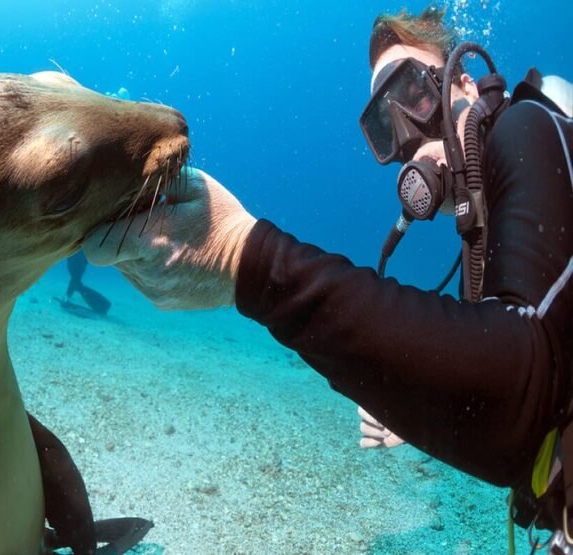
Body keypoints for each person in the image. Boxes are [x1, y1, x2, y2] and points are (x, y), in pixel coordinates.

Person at [83, 5, 573, 548]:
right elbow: (507, 393)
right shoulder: (482, 224)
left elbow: (520, 388)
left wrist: (244, 258)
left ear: (461, 79)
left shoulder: (527, 127)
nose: (408, 136)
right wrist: (417, 395)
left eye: (414, 95)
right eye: (386, 124)